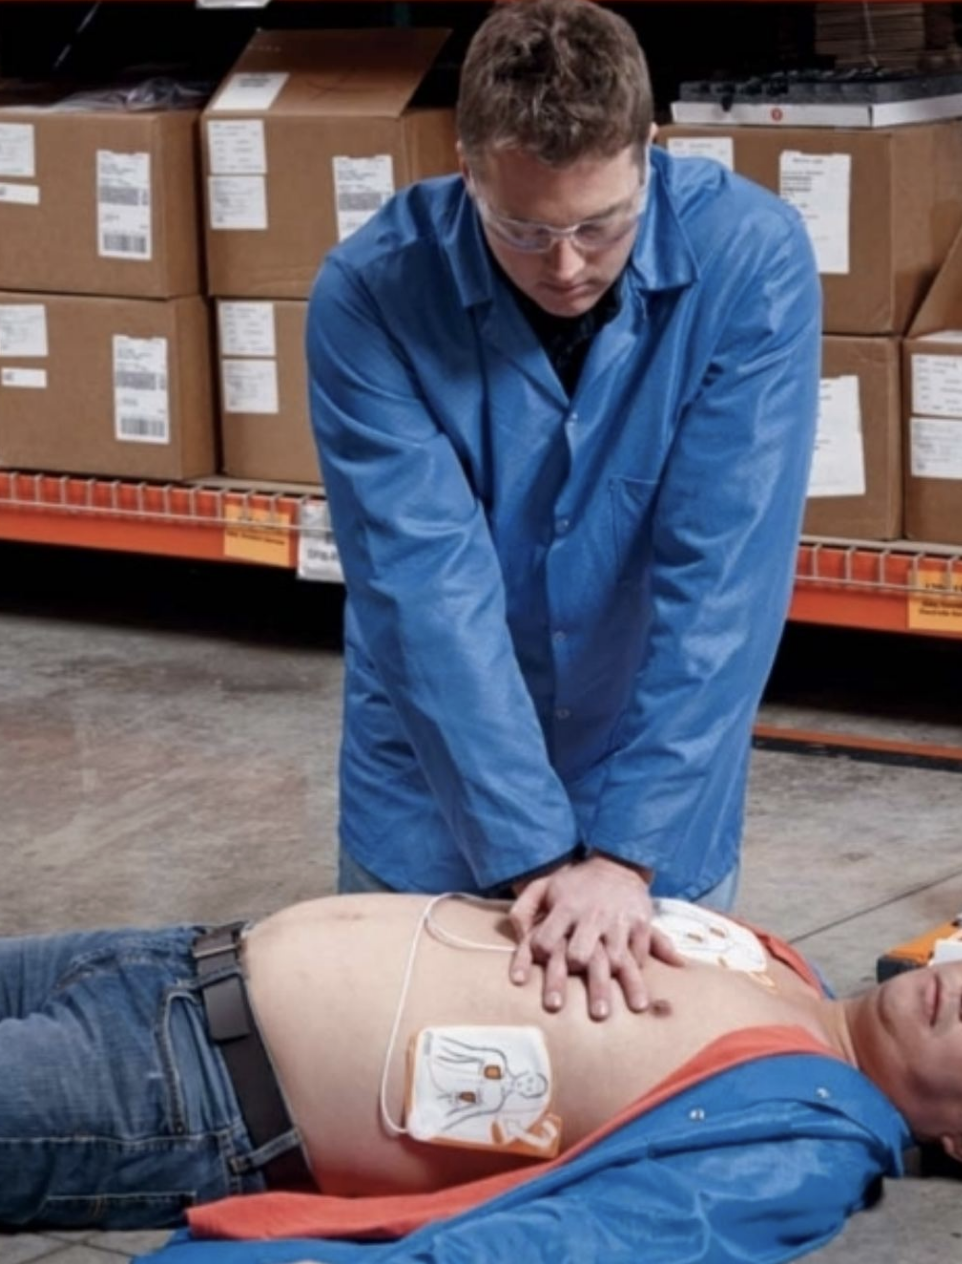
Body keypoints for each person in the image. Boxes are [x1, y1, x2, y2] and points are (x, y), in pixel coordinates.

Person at [0, 894, 962, 1264]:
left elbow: (599, 1241)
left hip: (170, 1091)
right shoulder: (780, 968)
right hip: (167, 959)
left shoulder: (804, 1143)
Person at [307, 0, 822, 1017]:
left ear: (649, 152)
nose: (567, 265)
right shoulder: (369, 295)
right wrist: (535, 854)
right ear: (465, 167)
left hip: (654, 771)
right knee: (402, 1065)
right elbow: (424, 592)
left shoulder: (750, 261)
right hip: (435, 784)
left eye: (600, 224)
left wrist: (628, 852)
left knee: (650, 1078)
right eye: (524, 229)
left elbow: (722, 579)